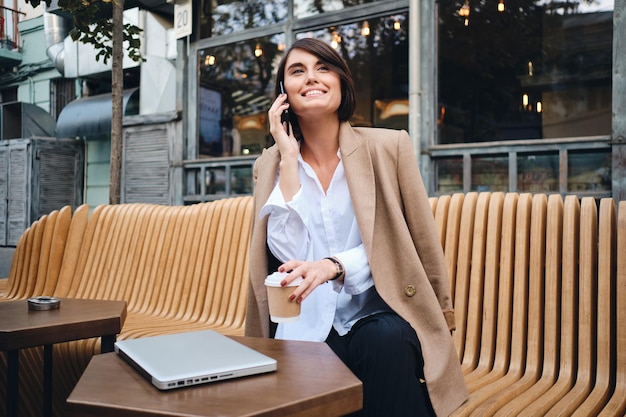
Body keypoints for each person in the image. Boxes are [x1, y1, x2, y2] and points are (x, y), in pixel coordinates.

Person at [245, 37, 468, 417]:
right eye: (297, 72)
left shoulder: (389, 146)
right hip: (310, 323)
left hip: (381, 313)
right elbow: (288, 255)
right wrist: (287, 156)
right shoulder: (271, 164)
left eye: (323, 68)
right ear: (284, 94)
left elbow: (413, 242)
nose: (312, 78)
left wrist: (334, 265)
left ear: (341, 83)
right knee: (327, 369)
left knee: (385, 339)